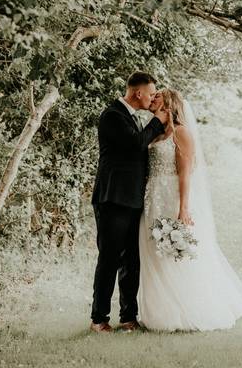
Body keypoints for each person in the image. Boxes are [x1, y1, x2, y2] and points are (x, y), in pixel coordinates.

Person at [137, 89, 242, 331]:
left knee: (174, 253)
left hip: (170, 196)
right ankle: (160, 312)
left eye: (157, 97)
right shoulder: (155, 132)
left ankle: (185, 309)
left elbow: (185, 174)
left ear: (169, 104)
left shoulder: (182, 133)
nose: (152, 99)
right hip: (151, 197)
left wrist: (183, 208)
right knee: (153, 251)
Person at [89, 71, 169, 333]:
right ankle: (99, 319)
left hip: (133, 199)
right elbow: (136, 145)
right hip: (112, 199)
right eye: (151, 91)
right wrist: (157, 121)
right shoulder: (112, 115)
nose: (153, 96)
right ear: (138, 92)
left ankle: (128, 317)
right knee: (109, 259)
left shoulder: (133, 118)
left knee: (131, 261)